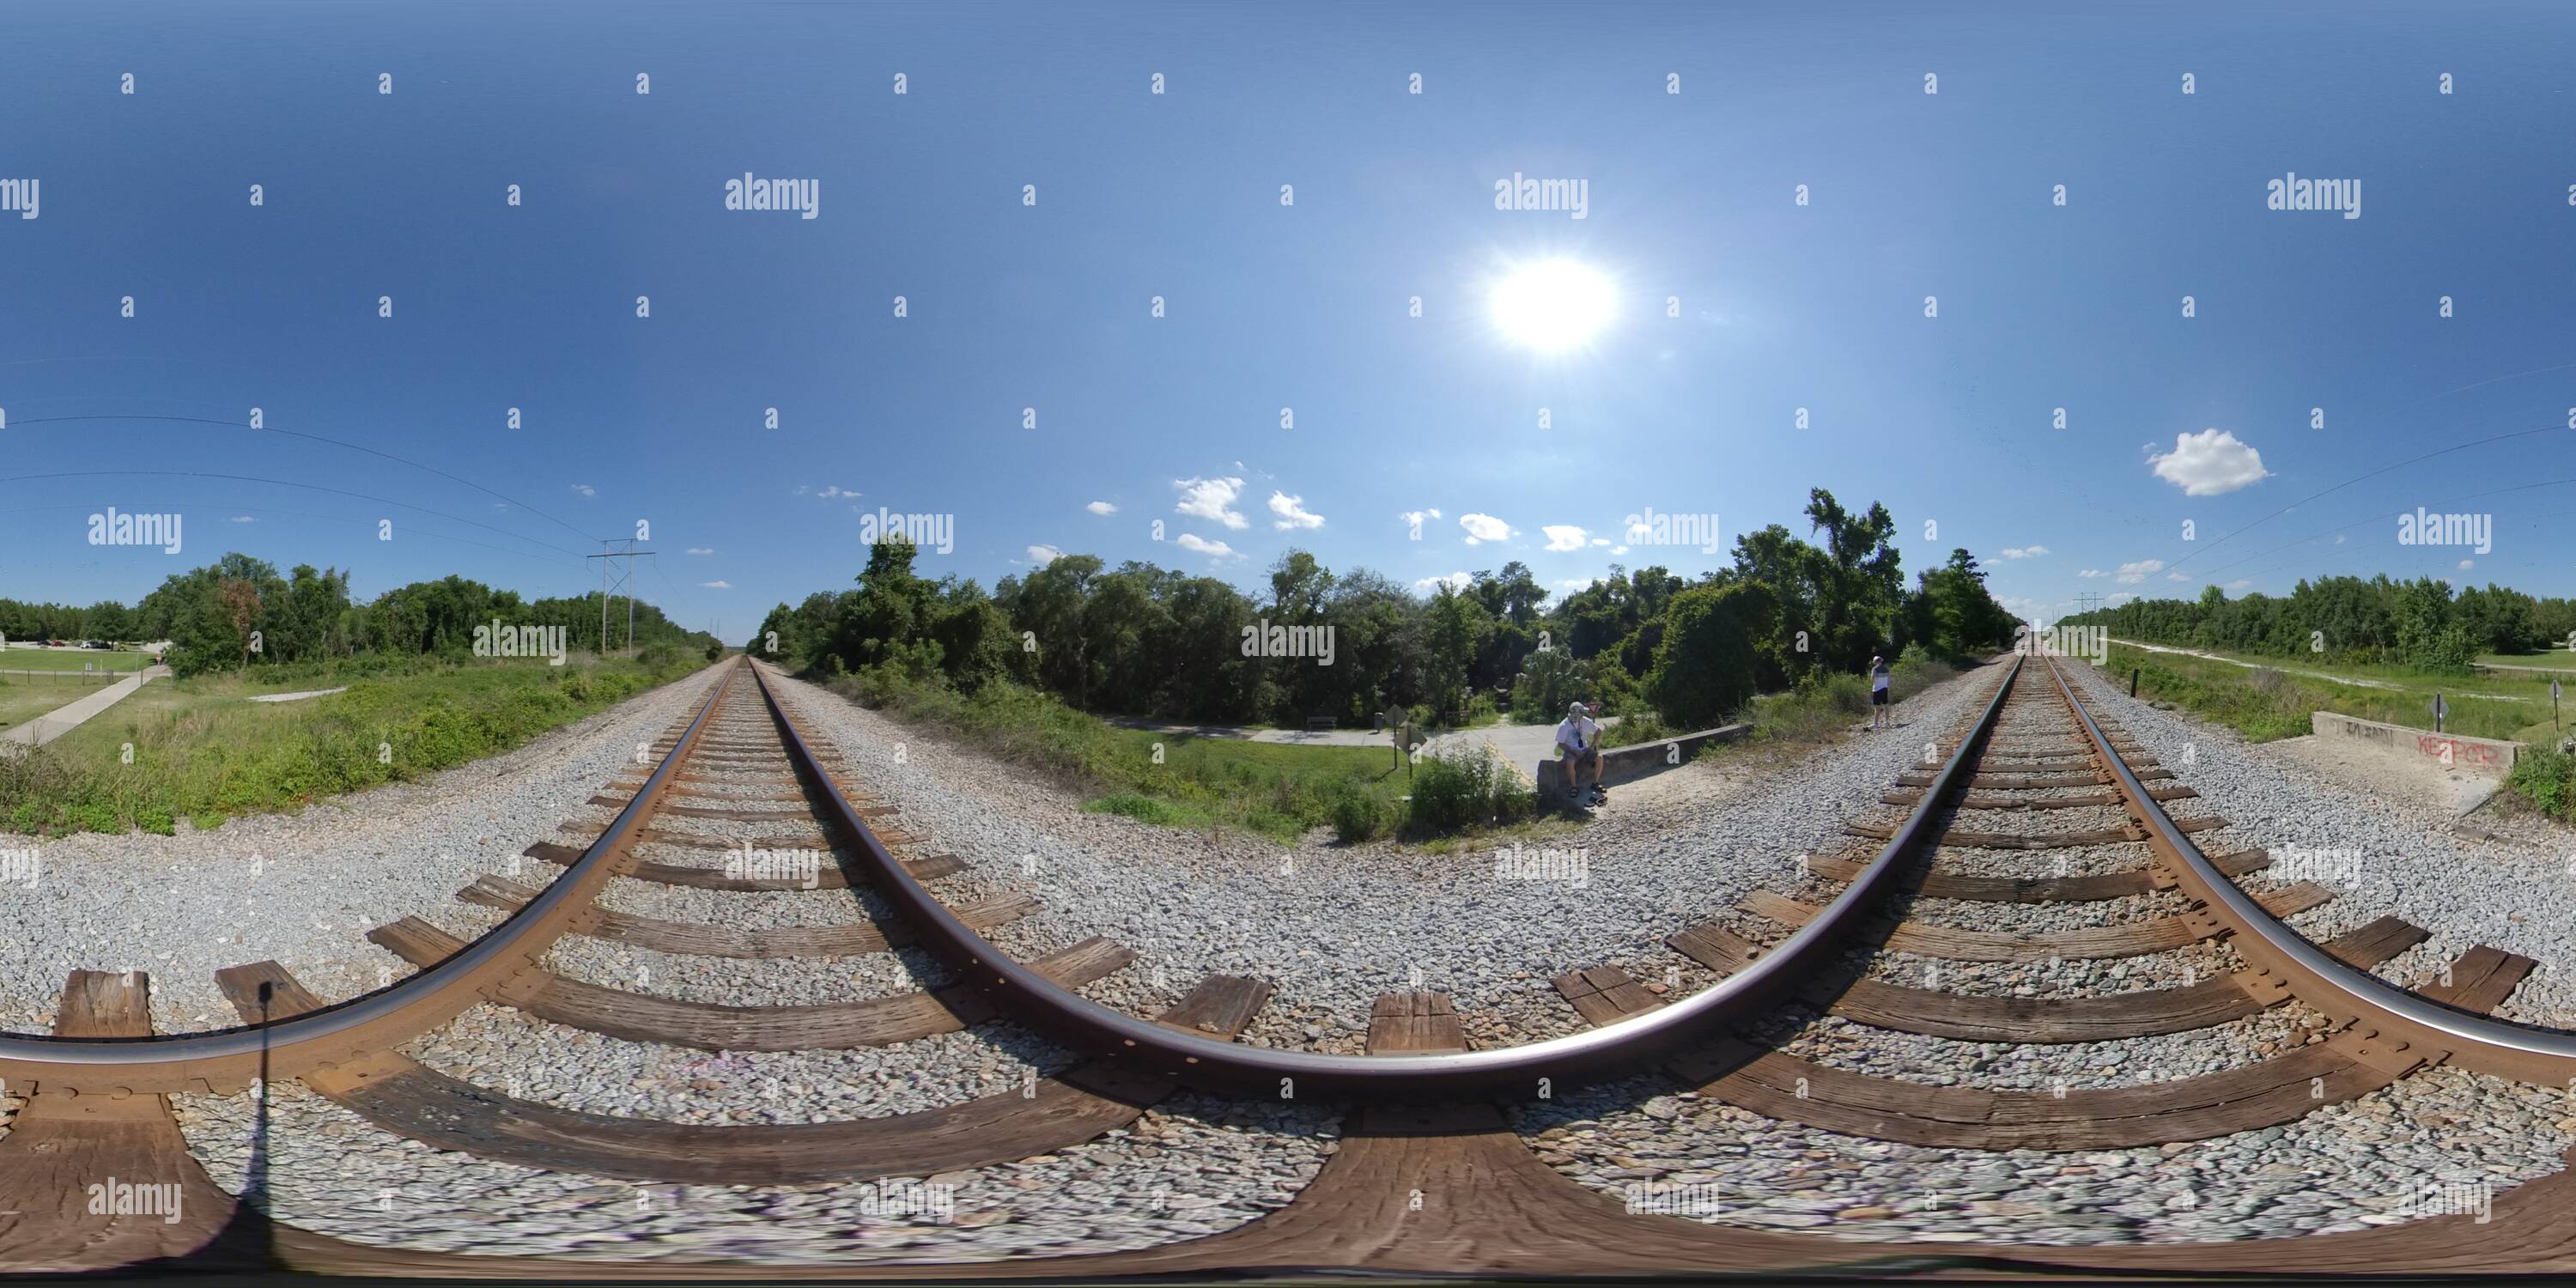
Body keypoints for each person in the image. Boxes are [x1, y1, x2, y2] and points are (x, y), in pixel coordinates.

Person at [1555, 700, 1606, 804]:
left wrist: (1592, 746)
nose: (1583, 715)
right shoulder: (1564, 726)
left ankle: (1595, 783)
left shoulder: (1584, 721)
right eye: (1582, 713)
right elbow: (1560, 744)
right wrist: (1573, 751)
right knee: (1570, 762)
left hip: (1585, 749)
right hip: (1570, 750)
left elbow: (1599, 731)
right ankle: (1574, 787)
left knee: (1599, 758)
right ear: (1577, 715)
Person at [1868, 654, 1893, 728]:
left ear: (1875, 662)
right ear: (1881, 661)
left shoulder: (1874, 669)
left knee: (1877, 708)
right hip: (1885, 689)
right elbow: (1889, 679)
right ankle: (1886, 722)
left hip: (1877, 690)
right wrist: (1887, 685)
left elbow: (1872, 680)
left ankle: (1876, 724)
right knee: (1885, 705)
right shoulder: (1886, 669)